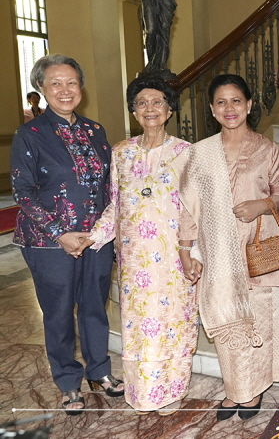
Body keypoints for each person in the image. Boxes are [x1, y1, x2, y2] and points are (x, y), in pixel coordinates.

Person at [172, 74, 279, 421]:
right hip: (219, 253)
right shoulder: (200, 154)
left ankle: (252, 390)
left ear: (249, 106)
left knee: (258, 318)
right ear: (212, 109)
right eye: (222, 102)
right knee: (229, 319)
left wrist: (262, 205)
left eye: (236, 101)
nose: (230, 108)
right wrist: (184, 249)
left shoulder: (266, 148)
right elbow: (188, 206)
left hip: (259, 247)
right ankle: (234, 391)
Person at [10, 54, 123, 415]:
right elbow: (22, 191)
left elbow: (110, 185)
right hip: (48, 242)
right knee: (58, 313)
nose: (64, 90)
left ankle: (99, 371)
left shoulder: (95, 130)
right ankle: (67, 382)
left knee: (95, 306)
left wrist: (104, 230)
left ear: (81, 87)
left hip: (95, 239)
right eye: (55, 83)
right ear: (41, 88)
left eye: (71, 82)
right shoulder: (30, 134)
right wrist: (61, 233)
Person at [84, 77, 197, 415]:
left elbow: (196, 209)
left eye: (157, 102)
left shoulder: (186, 153)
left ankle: (172, 390)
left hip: (174, 256)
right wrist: (93, 238)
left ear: (170, 110)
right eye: (142, 103)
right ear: (134, 111)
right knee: (140, 326)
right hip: (134, 259)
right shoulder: (121, 152)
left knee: (174, 323)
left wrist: (194, 252)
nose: (150, 108)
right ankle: (145, 393)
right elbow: (114, 206)